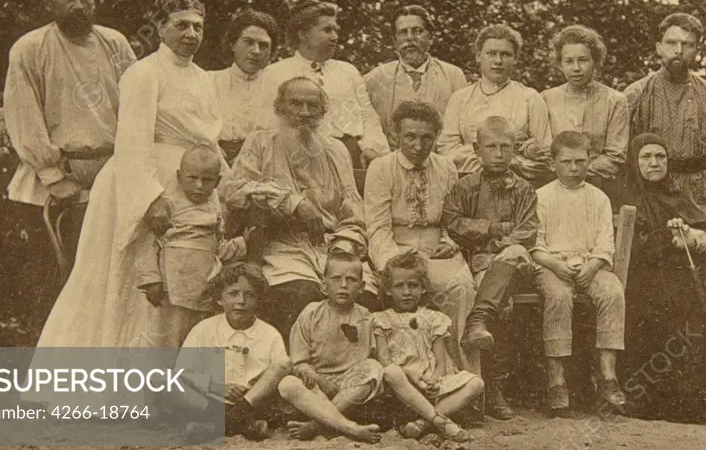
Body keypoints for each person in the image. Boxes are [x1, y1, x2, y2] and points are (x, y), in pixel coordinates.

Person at [30, 0, 223, 354]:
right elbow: (133, 141)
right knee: (132, 285)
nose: (191, 34)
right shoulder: (144, 73)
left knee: (180, 283)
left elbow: (207, 141)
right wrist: (150, 199)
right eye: (181, 25)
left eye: (198, 26)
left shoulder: (202, 78)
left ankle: (167, 387)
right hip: (144, 184)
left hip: (192, 184)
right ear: (161, 29)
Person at [3, 0, 136, 271]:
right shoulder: (30, 49)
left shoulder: (114, 43)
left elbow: (137, 106)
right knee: (60, 274)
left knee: (113, 273)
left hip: (112, 175)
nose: (77, 6)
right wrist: (53, 175)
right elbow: (23, 115)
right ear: (49, 4)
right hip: (58, 182)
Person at [618, 133, 706, 428]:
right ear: (634, 161)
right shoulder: (627, 197)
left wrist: (696, 238)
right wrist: (670, 239)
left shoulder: (678, 196)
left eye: (661, 157)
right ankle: (683, 402)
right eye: (646, 157)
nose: (655, 163)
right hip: (647, 277)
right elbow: (633, 246)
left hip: (691, 271)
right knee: (687, 311)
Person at [221, 76, 370, 341]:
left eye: (312, 106)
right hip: (280, 246)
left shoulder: (335, 150)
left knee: (366, 295)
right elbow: (234, 191)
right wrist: (293, 202)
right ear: (280, 108)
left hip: (332, 245)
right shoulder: (260, 143)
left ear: (322, 111)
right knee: (303, 294)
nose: (304, 113)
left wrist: (345, 247)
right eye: (296, 104)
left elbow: (353, 211)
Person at [176, 263, 382, 443]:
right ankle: (240, 424)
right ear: (219, 299)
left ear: (258, 301)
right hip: (213, 399)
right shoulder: (204, 329)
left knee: (284, 367)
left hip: (256, 401)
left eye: (249, 295)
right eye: (233, 294)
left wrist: (292, 375)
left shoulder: (268, 334)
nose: (241, 301)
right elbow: (182, 372)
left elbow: (279, 372)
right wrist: (217, 386)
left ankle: (232, 420)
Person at [364, 100, 476, 362]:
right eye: (410, 137)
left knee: (460, 287)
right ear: (396, 136)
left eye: (427, 138)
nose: (418, 145)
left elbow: (453, 217)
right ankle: (408, 370)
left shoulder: (446, 167)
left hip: (436, 247)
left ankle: (458, 372)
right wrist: (393, 262)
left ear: (436, 137)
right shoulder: (381, 168)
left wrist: (451, 241)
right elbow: (377, 226)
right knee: (404, 285)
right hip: (395, 245)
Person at [443, 116, 538, 420]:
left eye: (506, 147)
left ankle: (478, 322)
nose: (498, 153)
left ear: (515, 149)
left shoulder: (524, 189)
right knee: (505, 307)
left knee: (513, 253)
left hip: (513, 265)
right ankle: (493, 389)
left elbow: (526, 232)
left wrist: (489, 239)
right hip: (478, 265)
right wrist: (496, 227)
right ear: (477, 149)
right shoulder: (466, 187)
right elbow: (454, 224)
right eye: (491, 146)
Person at [530, 131, 626, 417]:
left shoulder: (598, 198)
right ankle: (556, 381)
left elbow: (605, 242)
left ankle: (608, 377)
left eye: (580, 161)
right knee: (558, 297)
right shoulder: (541, 196)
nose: (574, 168)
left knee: (612, 292)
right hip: (552, 265)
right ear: (553, 163)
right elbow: (535, 244)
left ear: (590, 161)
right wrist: (556, 265)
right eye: (567, 162)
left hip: (589, 264)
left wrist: (593, 265)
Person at [256, 0, 388, 168]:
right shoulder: (275, 73)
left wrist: (372, 147)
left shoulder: (348, 71)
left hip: (351, 158)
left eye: (336, 30)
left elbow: (368, 116)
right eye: (327, 30)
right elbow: (266, 125)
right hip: (300, 160)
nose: (335, 37)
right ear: (302, 34)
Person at [135, 146, 246, 347]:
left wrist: (241, 244)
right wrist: (151, 279)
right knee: (169, 338)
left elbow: (217, 247)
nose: (199, 186)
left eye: (207, 180)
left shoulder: (214, 209)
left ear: (217, 182)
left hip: (204, 284)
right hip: (174, 284)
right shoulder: (167, 207)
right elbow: (148, 243)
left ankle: (194, 376)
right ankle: (163, 376)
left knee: (199, 338)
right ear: (179, 176)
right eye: (192, 178)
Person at [624, 13, 706, 226]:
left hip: (696, 197)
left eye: (688, 44)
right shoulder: (636, 93)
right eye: (671, 43)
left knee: (698, 253)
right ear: (658, 47)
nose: (678, 51)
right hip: (649, 195)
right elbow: (624, 152)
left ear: (697, 51)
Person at [373, 252, 484, 442]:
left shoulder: (433, 319)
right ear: (389, 290)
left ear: (423, 288)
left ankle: (422, 423)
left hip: (429, 383)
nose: (407, 292)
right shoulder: (381, 319)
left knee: (476, 383)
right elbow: (385, 361)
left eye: (413, 285)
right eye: (399, 286)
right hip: (402, 386)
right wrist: (409, 373)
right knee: (391, 372)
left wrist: (434, 380)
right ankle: (441, 423)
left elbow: (440, 362)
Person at [286, 251, 384, 441]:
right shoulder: (311, 313)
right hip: (317, 384)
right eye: (336, 279)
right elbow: (300, 362)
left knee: (374, 368)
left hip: (350, 387)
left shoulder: (367, 317)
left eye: (351, 280)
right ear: (324, 285)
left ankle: (315, 425)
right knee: (287, 384)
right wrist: (321, 382)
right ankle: (348, 427)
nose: (344, 285)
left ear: (362, 287)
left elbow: (372, 359)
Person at [439, 24, 552, 184]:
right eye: (491, 53)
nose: (498, 61)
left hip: (519, 184)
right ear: (479, 56)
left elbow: (544, 155)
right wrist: (483, 163)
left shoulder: (530, 97)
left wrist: (516, 162)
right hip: (470, 182)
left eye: (505, 54)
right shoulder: (460, 98)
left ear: (515, 59)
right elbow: (447, 149)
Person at [540, 25, 628, 203]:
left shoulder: (615, 100)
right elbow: (543, 149)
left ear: (595, 61)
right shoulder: (546, 98)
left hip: (599, 187)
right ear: (560, 63)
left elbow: (615, 155)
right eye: (568, 61)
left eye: (583, 60)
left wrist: (579, 171)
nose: (576, 68)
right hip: (553, 186)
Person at [364, 5, 467, 148]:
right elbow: (365, 126)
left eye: (417, 31)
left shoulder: (453, 76)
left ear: (430, 37)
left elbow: (463, 127)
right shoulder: (375, 79)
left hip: (440, 161)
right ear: (394, 41)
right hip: (391, 161)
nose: (410, 38)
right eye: (403, 32)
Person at [209, 8, 278, 162]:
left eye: (264, 45)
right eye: (248, 42)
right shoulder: (209, 82)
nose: (256, 51)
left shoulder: (279, 90)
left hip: (263, 165)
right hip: (216, 163)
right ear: (233, 44)